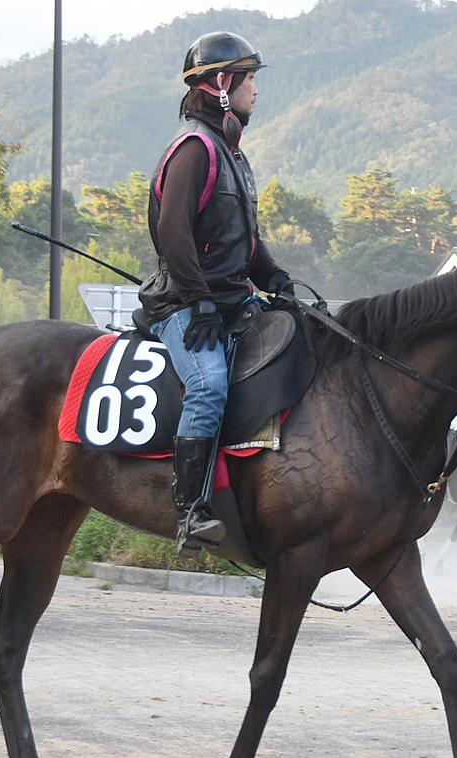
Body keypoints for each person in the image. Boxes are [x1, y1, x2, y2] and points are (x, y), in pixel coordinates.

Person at [138, 31, 293, 556]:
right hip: (185, 307)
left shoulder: (234, 157)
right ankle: (189, 512)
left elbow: (244, 239)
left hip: (230, 304)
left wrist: (276, 278)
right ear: (223, 85)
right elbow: (174, 233)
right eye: (250, 79)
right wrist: (198, 297)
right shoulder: (193, 151)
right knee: (207, 386)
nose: (256, 90)